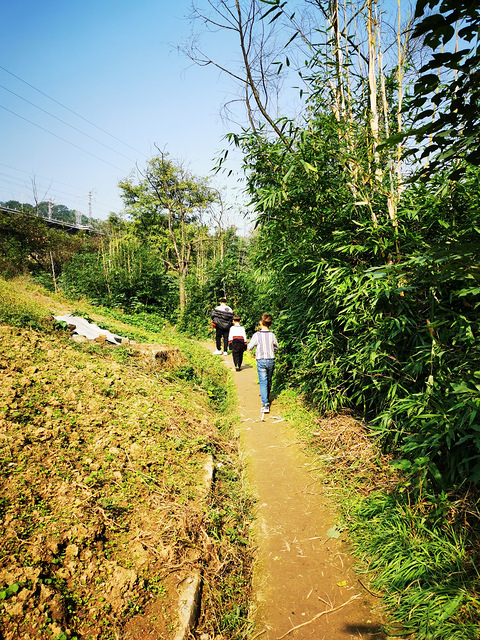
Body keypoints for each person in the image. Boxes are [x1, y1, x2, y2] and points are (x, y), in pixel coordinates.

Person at [248, 313, 279, 414]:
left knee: (263, 381)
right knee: (269, 380)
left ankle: (265, 404)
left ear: (261, 323)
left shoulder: (257, 335)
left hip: (261, 360)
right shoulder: (272, 335)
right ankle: (267, 397)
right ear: (270, 324)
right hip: (271, 360)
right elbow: (277, 347)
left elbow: (249, 347)